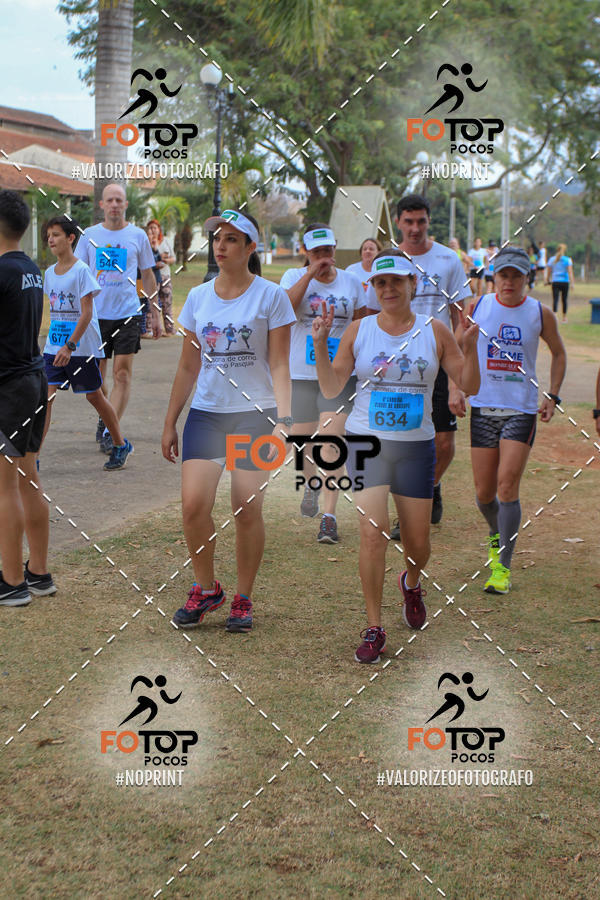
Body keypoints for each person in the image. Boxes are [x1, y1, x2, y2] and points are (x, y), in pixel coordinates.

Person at [312, 250, 480, 662]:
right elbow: (332, 387)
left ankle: (412, 580)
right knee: (373, 532)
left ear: (413, 285)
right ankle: (373, 626)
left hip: (414, 447)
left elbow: (469, 384)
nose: (388, 289)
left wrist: (469, 346)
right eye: (380, 283)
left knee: (418, 544)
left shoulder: (434, 330)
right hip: (368, 442)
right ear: (372, 288)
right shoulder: (359, 330)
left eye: (396, 282)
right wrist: (319, 342)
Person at [161, 209, 295, 633]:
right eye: (218, 237)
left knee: (245, 504)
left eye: (233, 239)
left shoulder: (271, 297)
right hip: (207, 414)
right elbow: (187, 367)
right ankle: (206, 589)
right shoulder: (199, 298)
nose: (221, 245)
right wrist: (170, 422)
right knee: (194, 507)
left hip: (254, 415)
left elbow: (279, 365)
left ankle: (243, 597)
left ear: (251, 247)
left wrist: (285, 421)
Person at [366, 195, 473, 531]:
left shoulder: (447, 259)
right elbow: (371, 314)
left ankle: (431, 485)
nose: (415, 228)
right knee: (396, 438)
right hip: (394, 363)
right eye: (408, 221)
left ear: (429, 221)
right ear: (398, 222)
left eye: (421, 221)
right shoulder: (387, 262)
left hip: (438, 362)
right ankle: (408, 501)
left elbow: (461, 315)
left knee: (443, 442)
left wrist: (456, 382)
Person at [466, 246, 566, 594]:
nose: (509, 282)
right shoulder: (477, 307)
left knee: (507, 486)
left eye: (516, 275)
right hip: (482, 407)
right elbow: (458, 349)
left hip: (521, 411)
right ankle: (496, 535)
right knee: (483, 495)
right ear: (495, 276)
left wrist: (552, 394)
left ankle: (502, 569)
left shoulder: (540, 313)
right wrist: (454, 388)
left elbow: (559, 353)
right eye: (503, 275)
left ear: (527, 278)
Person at [280, 223, 367, 543]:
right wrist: (309, 274)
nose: (324, 258)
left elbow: (362, 321)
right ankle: (310, 484)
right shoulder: (292, 278)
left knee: (332, 443)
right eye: (316, 252)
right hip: (301, 373)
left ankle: (329, 517)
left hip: (340, 375)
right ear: (306, 252)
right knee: (303, 445)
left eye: (328, 251)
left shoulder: (352, 282)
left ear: (335, 249)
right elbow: (285, 308)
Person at [40, 216, 133, 470]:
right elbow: (55, 312)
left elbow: (87, 313)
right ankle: (33, 457)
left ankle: (119, 443)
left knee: (94, 397)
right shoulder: (49, 274)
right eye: (49, 234)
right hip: (54, 347)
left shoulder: (81, 271)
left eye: (56, 234)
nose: (51, 239)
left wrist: (69, 346)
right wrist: (55, 344)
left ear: (71, 238)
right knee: (45, 399)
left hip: (81, 347)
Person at [75, 183, 161, 455]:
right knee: (98, 378)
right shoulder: (89, 235)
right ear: (102, 205)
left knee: (122, 373)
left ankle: (109, 429)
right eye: (109, 200)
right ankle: (107, 418)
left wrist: (155, 311)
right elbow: (78, 274)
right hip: (96, 316)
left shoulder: (137, 236)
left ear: (125, 205)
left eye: (119, 200)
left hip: (128, 313)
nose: (114, 204)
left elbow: (148, 275)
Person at [0, 190, 55, 607]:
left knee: (4, 487)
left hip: (11, 387)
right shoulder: (31, 268)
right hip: (34, 381)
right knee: (28, 479)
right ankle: (38, 572)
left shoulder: (2, 271)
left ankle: (11, 581)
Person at [146, 219, 176, 335]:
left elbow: (173, 258)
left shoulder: (165, 241)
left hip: (165, 275)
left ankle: (169, 329)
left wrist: (164, 260)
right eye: (151, 228)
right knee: (152, 303)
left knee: (167, 302)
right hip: (152, 277)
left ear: (159, 229)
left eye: (155, 227)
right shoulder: (147, 242)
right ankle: (149, 329)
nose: (153, 230)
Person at [546, 243, 574, 323]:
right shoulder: (567, 259)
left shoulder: (552, 259)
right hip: (565, 282)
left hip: (555, 281)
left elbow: (549, 271)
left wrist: (547, 280)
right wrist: (572, 283)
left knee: (555, 299)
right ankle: (564, 318)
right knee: (564, 299)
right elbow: (570, 272)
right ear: (564, 250)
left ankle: (555, 316)